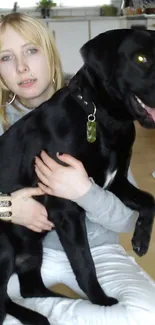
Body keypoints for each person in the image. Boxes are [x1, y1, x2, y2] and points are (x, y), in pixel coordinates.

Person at [0, 12, 155, 325]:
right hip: (21, 251)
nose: (22, 67)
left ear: (51, 51)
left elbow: (126, 221)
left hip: (98, 251)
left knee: (149, 314)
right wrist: (7, 207)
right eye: (6, 57)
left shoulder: (105, 109)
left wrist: (84, 191)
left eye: (32, 50)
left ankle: (40, 313)